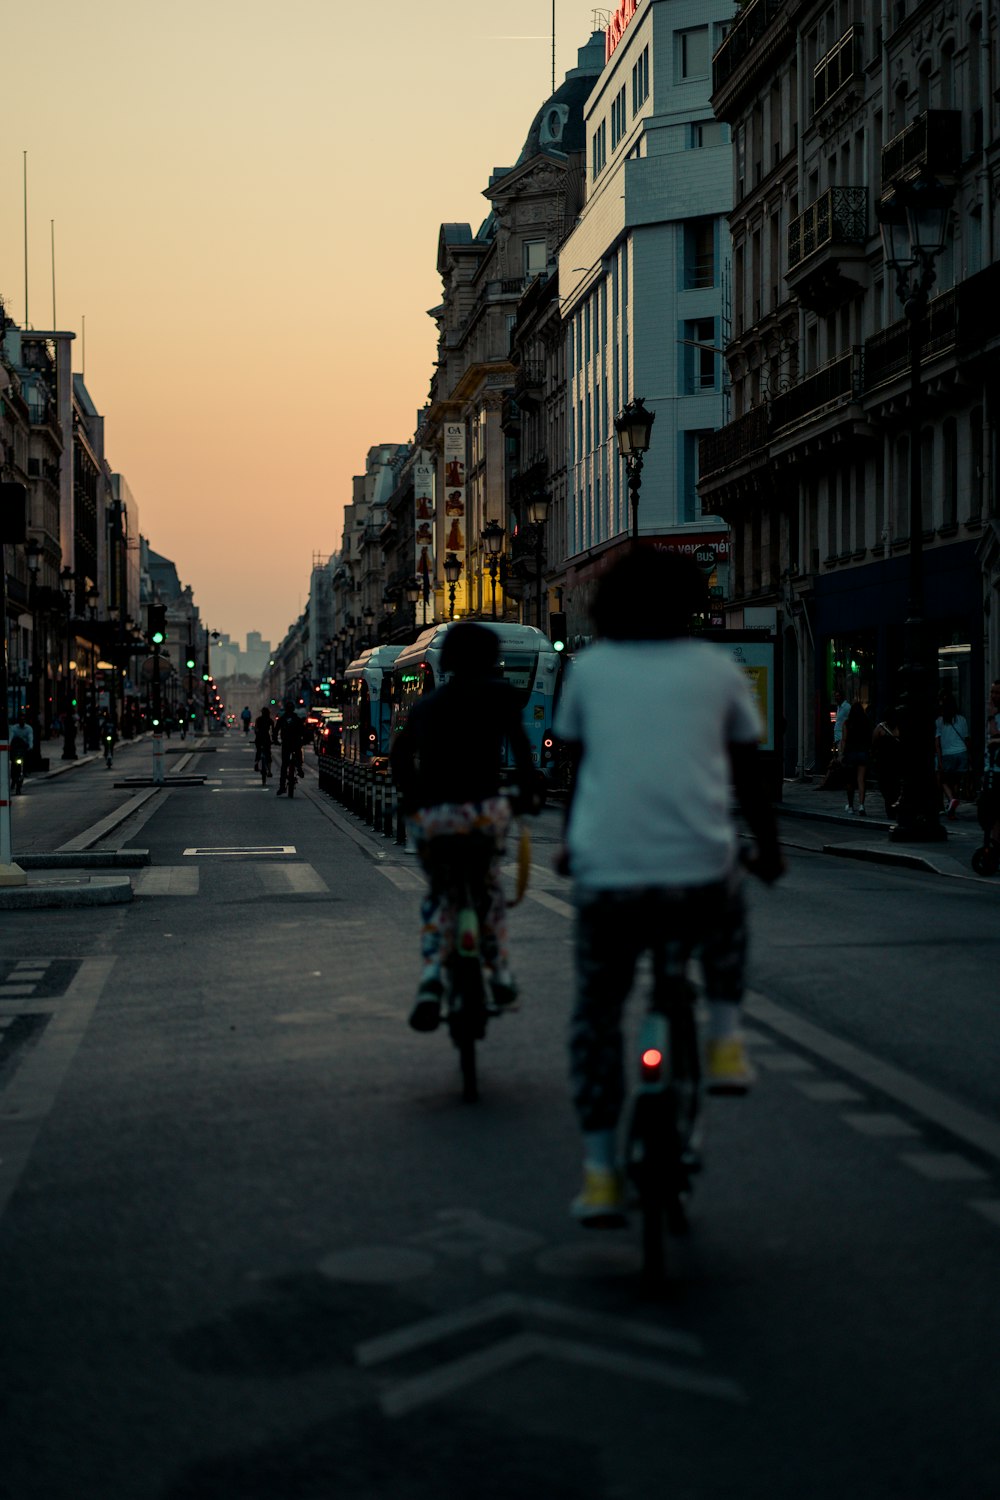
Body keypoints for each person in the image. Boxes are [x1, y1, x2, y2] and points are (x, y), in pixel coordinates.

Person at [552, 549, 784, 1226]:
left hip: (609, 877)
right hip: (696, 873)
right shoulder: (716, 671)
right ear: (691, 602)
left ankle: (599, 1173)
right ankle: (724, 1039)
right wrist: (767, 851)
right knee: (725, 911)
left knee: (596, 1017)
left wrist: (572, 844)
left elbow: (579, 769)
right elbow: (748, 773)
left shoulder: (590, 672)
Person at [390, 621, 537, 1032]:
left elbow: (400, 756)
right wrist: (526, 793)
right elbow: (523, 754)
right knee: (488, 889)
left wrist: (413, 797)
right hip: (484, 812)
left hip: (436, 815)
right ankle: (501, 975)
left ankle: (431, 979)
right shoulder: (501, 696)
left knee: (440, 893)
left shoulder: (427, 706)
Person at [935, 692, 970, 819]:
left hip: (947, 754)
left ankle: (951, 800)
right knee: (956, 781)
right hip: (962, 752)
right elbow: (966, 739)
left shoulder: (939, 722)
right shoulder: (962, 719)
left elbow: (937, 743)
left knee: (944, 781)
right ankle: (952, 808)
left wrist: (939, 760)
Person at [840, 701, 872, 815]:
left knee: (850, 781)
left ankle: (850, 806)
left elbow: (844, 740)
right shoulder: (866, 722)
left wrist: (842, 754)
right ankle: (862, 806)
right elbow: (869, 738)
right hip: (863, 752)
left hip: (850, 753)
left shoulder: (847, 723)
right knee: (861, 780)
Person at [871, 711, 902, 818]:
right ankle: (892, 806)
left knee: (887, 786)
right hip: (891, 762)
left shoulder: (880, 728)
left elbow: (874, 744)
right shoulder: (897, 728)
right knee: (892, 786)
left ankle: (891, 807)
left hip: (886, 762)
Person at [274, 701, 306, 794]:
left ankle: (282, 787)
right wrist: (303, 740)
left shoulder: (282, 719)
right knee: (298, 754)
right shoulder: (297, 719)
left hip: (286, 743)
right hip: (296, 743)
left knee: (284, 766)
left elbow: (276, 730)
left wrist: (276, 740)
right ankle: (299, 768)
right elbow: (303, 731)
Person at [9, 712, 34, 786]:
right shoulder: (14, 728)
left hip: (23, 748)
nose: (22, 721)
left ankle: (26, 770)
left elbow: (30, 738)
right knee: (13, 762)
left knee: (27, 759)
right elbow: (11, 737)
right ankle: (13, 777)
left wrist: (30, 746)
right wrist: (9, 746)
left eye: (23, 719)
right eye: (20, 720)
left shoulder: (28, 728)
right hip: (15, 748)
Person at [253, 706, 273, 778]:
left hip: (259, 738)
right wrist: (274, 739)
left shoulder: (258, 719)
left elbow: (256, 729)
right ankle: (270, 771)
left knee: (258, 751)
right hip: (266, 738)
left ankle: (256, 763)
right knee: (268, 754)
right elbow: (273, 730)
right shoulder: (270, 720)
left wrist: (257, 734)